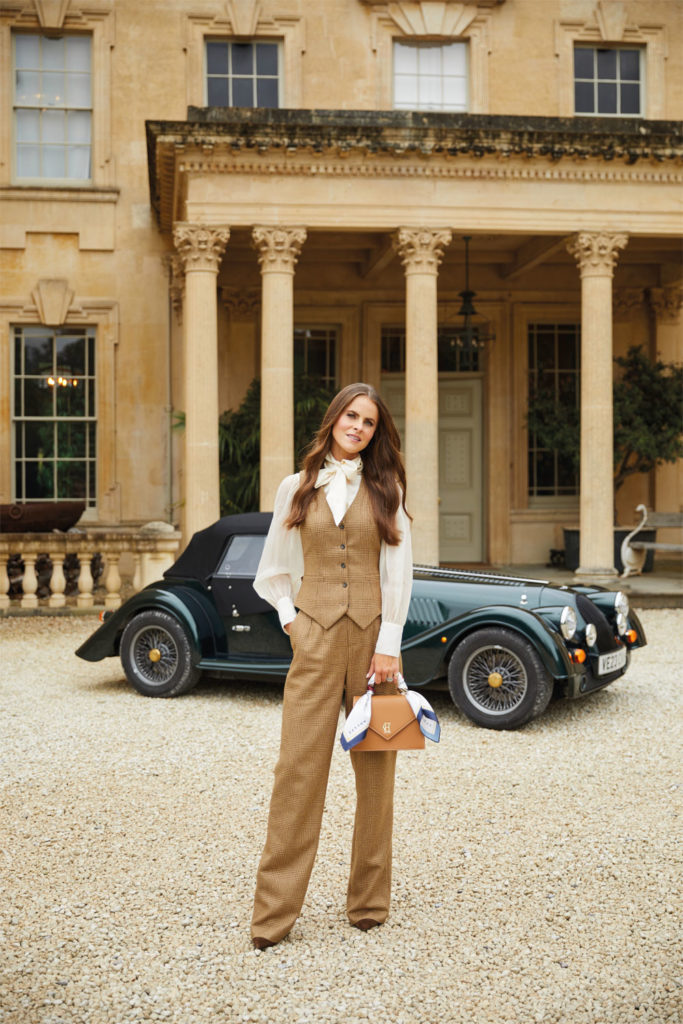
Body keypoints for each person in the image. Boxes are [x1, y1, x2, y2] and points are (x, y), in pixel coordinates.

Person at [250, 382, 413, 949]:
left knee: (377, 776)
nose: (359, 427)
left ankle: (369, 903)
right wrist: (292, 621)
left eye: (369, 422)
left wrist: (389, 642)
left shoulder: (386, 488)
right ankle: (272, 917)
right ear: (335, 419)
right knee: (297, 773)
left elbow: (399, 570)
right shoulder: (294, 488)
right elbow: (272, 568)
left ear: (375, 433)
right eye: (352, 416)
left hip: (375, 645)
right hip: (314, 640)